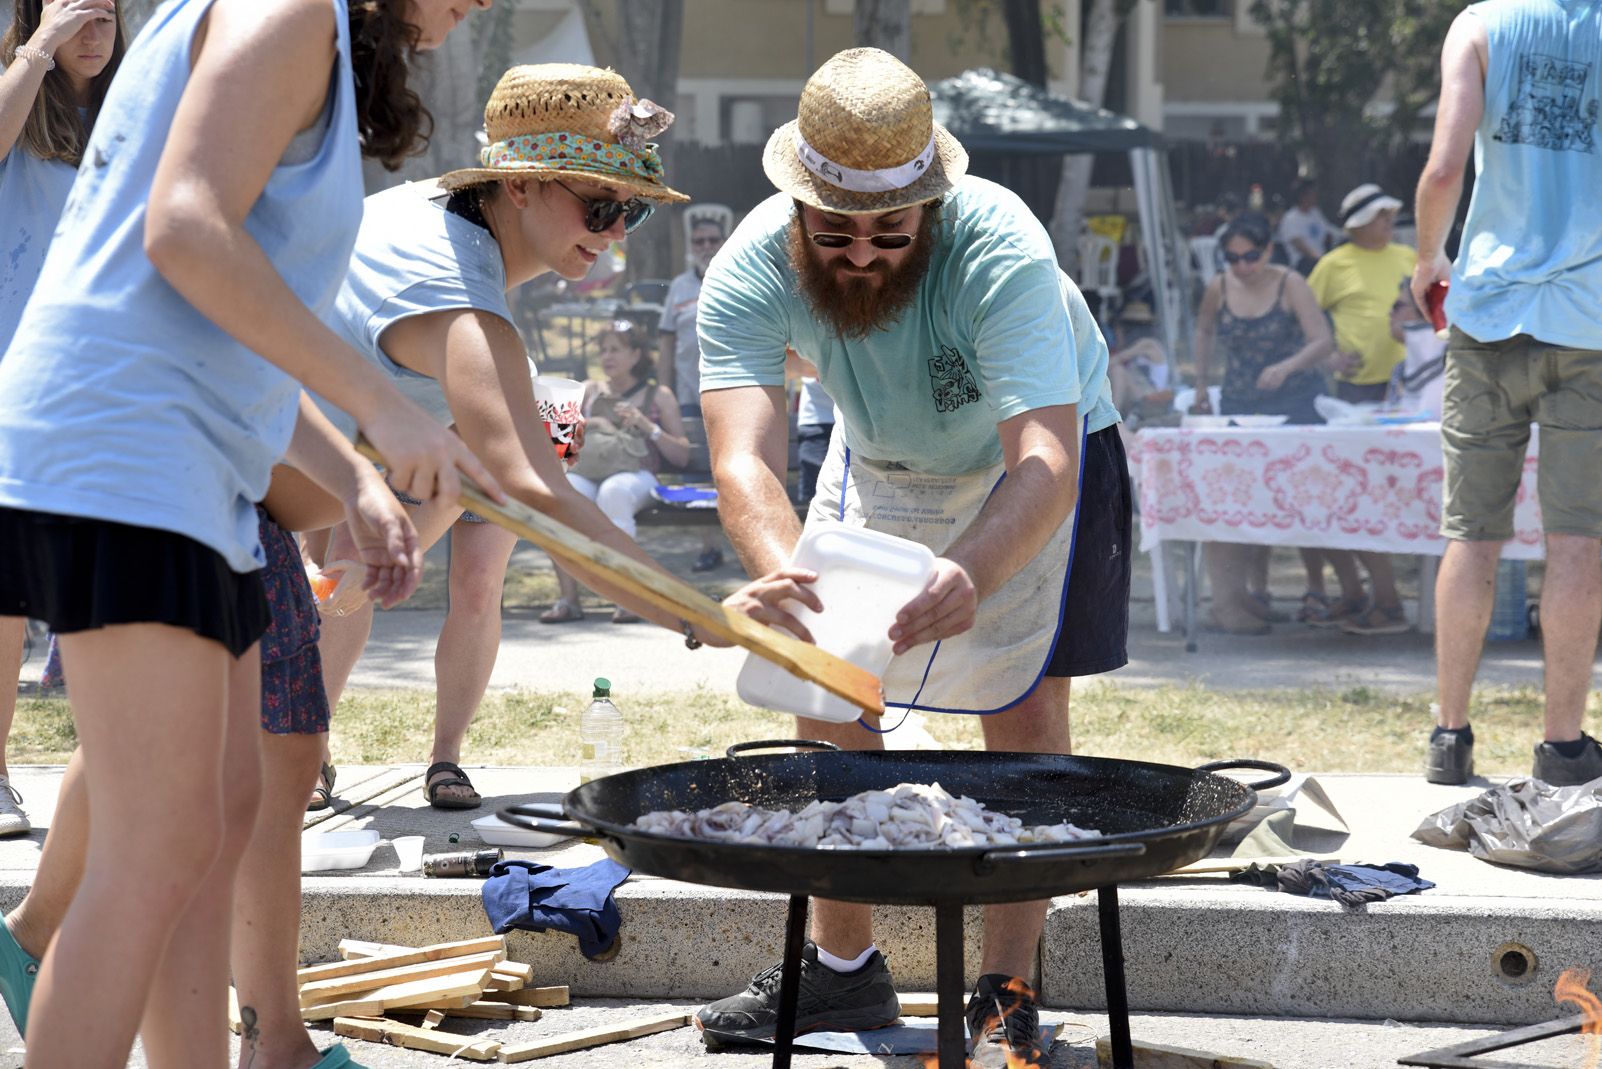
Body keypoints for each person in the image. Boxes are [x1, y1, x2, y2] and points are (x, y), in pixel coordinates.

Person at [0, 0, 502, 1064]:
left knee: (222, 811)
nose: (486, 3)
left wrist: (351, 477)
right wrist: (386, 405)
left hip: (186, 454)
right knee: (158, 843)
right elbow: (184, 233)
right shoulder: (286, 12)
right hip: (129, 442)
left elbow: (221, 308)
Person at [692, 48, 1128, 1068]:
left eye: (890, 234)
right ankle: (843, 971)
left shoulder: (1001, 244)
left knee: (1019, 708)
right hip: (882, 454)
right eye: (834, 233)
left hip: (1034, 469)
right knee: (829, 677)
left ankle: (1004, 994)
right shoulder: (749, 266)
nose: (860, 258)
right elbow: (743, 458)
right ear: (797, 208)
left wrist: (971, 568)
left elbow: (1047, 457)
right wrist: (782, 572)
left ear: (931, 208)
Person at [306, 64, 822, 812]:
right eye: (598, 205)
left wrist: (397, 530)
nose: (614, 235)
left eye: (631, 214)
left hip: (286, 451)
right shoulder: (458, 300)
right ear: (519, 185)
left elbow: (486, 470)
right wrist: (698, 613)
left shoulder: (446, 229)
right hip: (218, 465)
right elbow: (536, 494)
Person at [1413, 0, 1602, 787]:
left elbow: (1445, 167)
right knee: (1579, 539)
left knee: (1472, 533)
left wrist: (1428, 258)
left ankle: (1448, 737)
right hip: (1590, 320)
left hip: (1489, 314)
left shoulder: (1480, 25)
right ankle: (1563, 747)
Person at [0, 0, 125, 841]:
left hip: (111, 384)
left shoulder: (132, 112)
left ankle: (116, 776)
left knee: (110, 595)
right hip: (15, 381)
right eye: (74, 12)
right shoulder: (19, 87)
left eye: (107, 15)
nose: (93, 31)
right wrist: (35, 50)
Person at [1188, 212, 1355, 634]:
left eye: (1250, 257)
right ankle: (1245, 595)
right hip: (1241, 399)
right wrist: (1202, 385)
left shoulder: (1289, 283)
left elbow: (1322, 341)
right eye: (1232, 258)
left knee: (1306, 497)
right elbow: (1204, 331)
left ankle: (1327, 587)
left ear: (1267, 251)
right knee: (1238, 497)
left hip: (1295, 398)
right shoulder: (1219, 287)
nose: (1242, 266)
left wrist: (1286, 366)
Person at [1306, 182, 1416, 636]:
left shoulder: (1409, 259)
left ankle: (1383, 596)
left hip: (1408, 393)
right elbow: (1305, 323)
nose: (1390, 224)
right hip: (1351, 395)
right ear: (1357, 225)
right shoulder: (1333, 265)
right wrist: (1328, 356)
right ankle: (1356, 592)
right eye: (1381, 217)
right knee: (1346, 496)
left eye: (1392, 215)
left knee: (1387, 497)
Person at [542, 320, 692, 624]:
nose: (607, 357)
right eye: (603, 350)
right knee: (562, 499)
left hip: (638, 475)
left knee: (615, 491)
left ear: (636, 355)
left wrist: (648, 427)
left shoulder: (659, 395)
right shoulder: (588, 390)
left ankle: (628, 599)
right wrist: (589, 424)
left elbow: (682, 456)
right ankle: (568, 599)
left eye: (616, 349)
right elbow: (559, 445)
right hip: (588, 471)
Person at [659, 206, 730, 572]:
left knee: (731, 469)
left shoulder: (738, 278)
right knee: (697, 474)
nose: (706, 246)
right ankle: (710, 547)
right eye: (699, 241)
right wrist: (664, 390)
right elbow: (667, 342)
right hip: (689, 396)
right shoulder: (679, 287)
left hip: (732, 395)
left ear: (723, 242)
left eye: (712, 240)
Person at [1277, 179, 1333, 276]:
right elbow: (1302, 247)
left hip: (1321, 261)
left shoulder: (1315, 213)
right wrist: (1323, 261)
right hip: (1302, 265)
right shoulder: (1290, 218)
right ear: (1303, 196)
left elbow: (1329, 231)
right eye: (1312, 193)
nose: (1316, 196)